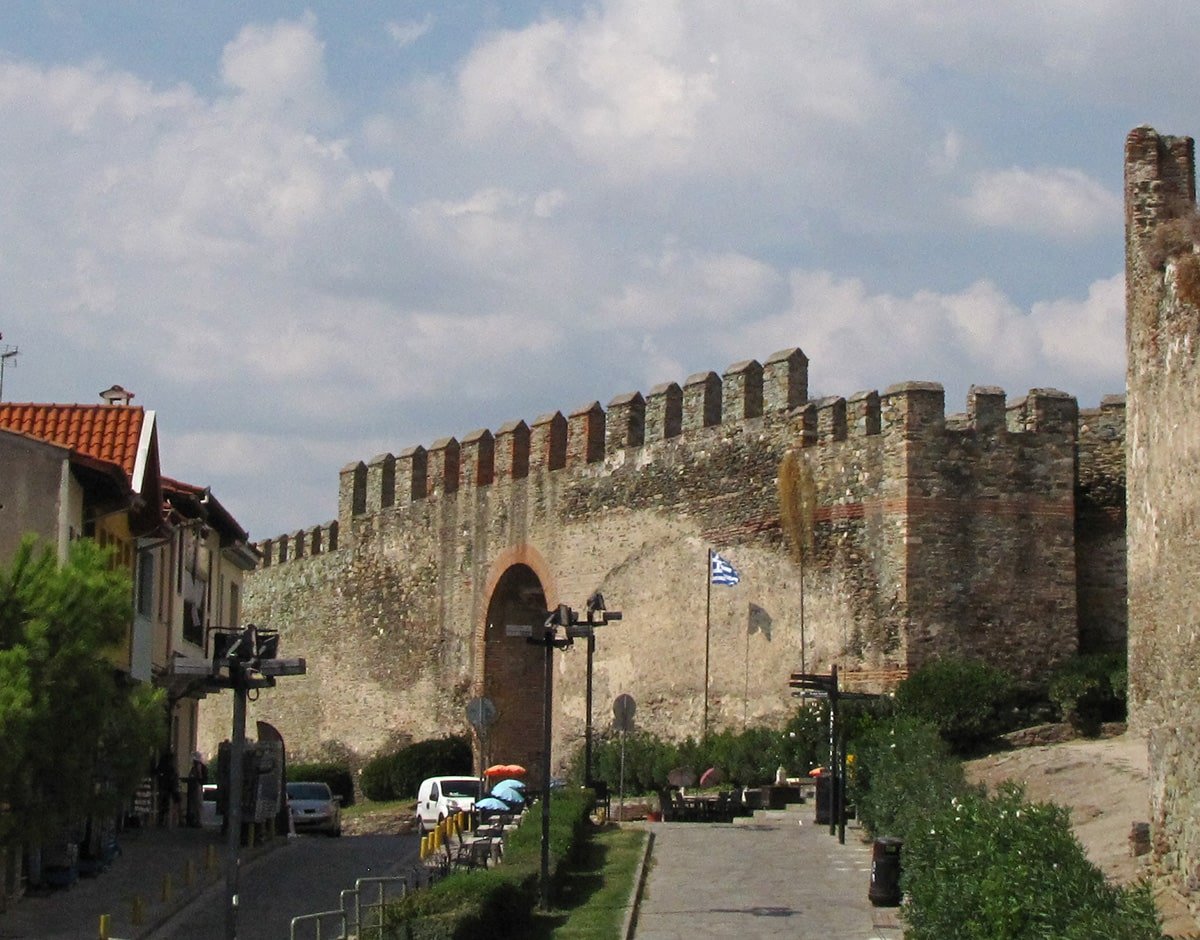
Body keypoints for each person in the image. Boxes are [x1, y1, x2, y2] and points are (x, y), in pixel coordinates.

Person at [186, 752, 208, 828]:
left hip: (197, 786)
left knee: (197, 803)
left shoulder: (199, 767)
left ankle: (198, 820)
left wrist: (197, 775)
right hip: (195, 786)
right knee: (195, 804)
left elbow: (200, 777)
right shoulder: (195, 767)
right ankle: (195, 820)